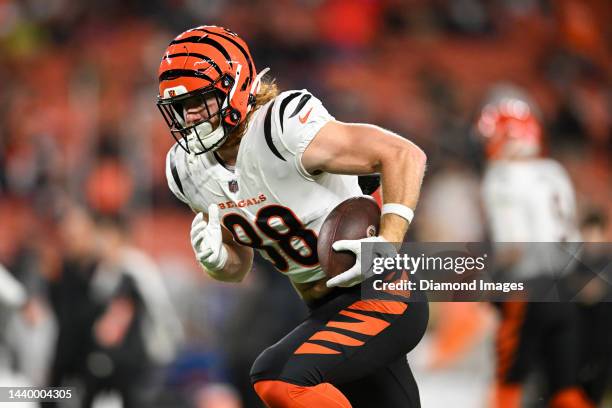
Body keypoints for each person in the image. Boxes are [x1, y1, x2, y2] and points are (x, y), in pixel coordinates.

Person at [157, 25, 429, 407]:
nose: (189, 117)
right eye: (181, 107)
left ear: (234, 88)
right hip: (326, 310)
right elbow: (239, 264)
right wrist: (219, 263)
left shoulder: (281, 127)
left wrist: (390, 239)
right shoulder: (188, 171)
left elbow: (404, 155)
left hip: (382, 295)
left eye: (200, 101)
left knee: (276, 377)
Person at [478, 85, 594, 408]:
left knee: (507, 386)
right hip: (566, 288)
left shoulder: (502, 176)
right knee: (565, 388)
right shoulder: (554, 171)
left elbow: (512, 247)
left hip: (526, 290)